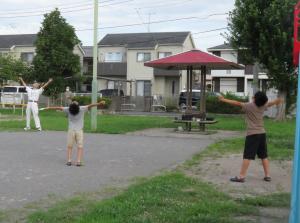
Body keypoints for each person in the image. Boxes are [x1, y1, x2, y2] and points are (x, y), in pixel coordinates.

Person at [218, 91, 282, 183]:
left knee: (247, 156)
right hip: (262, 133)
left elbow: (236, 103)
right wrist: (277, 100)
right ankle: (267, 175)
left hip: (253, 134)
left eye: (254, 96)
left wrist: (223, 99)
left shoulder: (249, 106)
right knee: (264, 156)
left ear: (255, 98)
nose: (253, 97)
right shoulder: (263, 105)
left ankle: (241, 177)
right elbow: (271, 103)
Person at [43, 100, 105, 166]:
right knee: (80, 146)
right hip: (79, 130)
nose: (75, 101)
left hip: (71, 130)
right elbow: (91, 105)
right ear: (78, 106)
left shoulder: (68, 109)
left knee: (70, 146)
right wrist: (99, 103)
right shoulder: (82, 108)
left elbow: (59, 108)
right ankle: (78, 161)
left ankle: (69, 161)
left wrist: (49, 107)